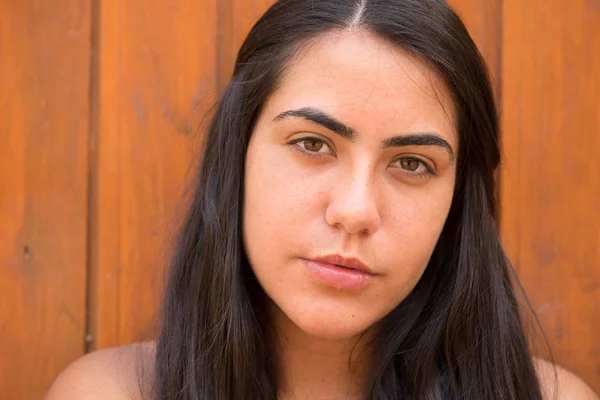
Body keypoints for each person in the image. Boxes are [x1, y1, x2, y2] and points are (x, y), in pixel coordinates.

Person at [46, 0, 598, 399]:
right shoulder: (108, 394)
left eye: (412, 163)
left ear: (458, 202)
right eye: (312, 144)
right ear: (235, 158)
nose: (356, 210)